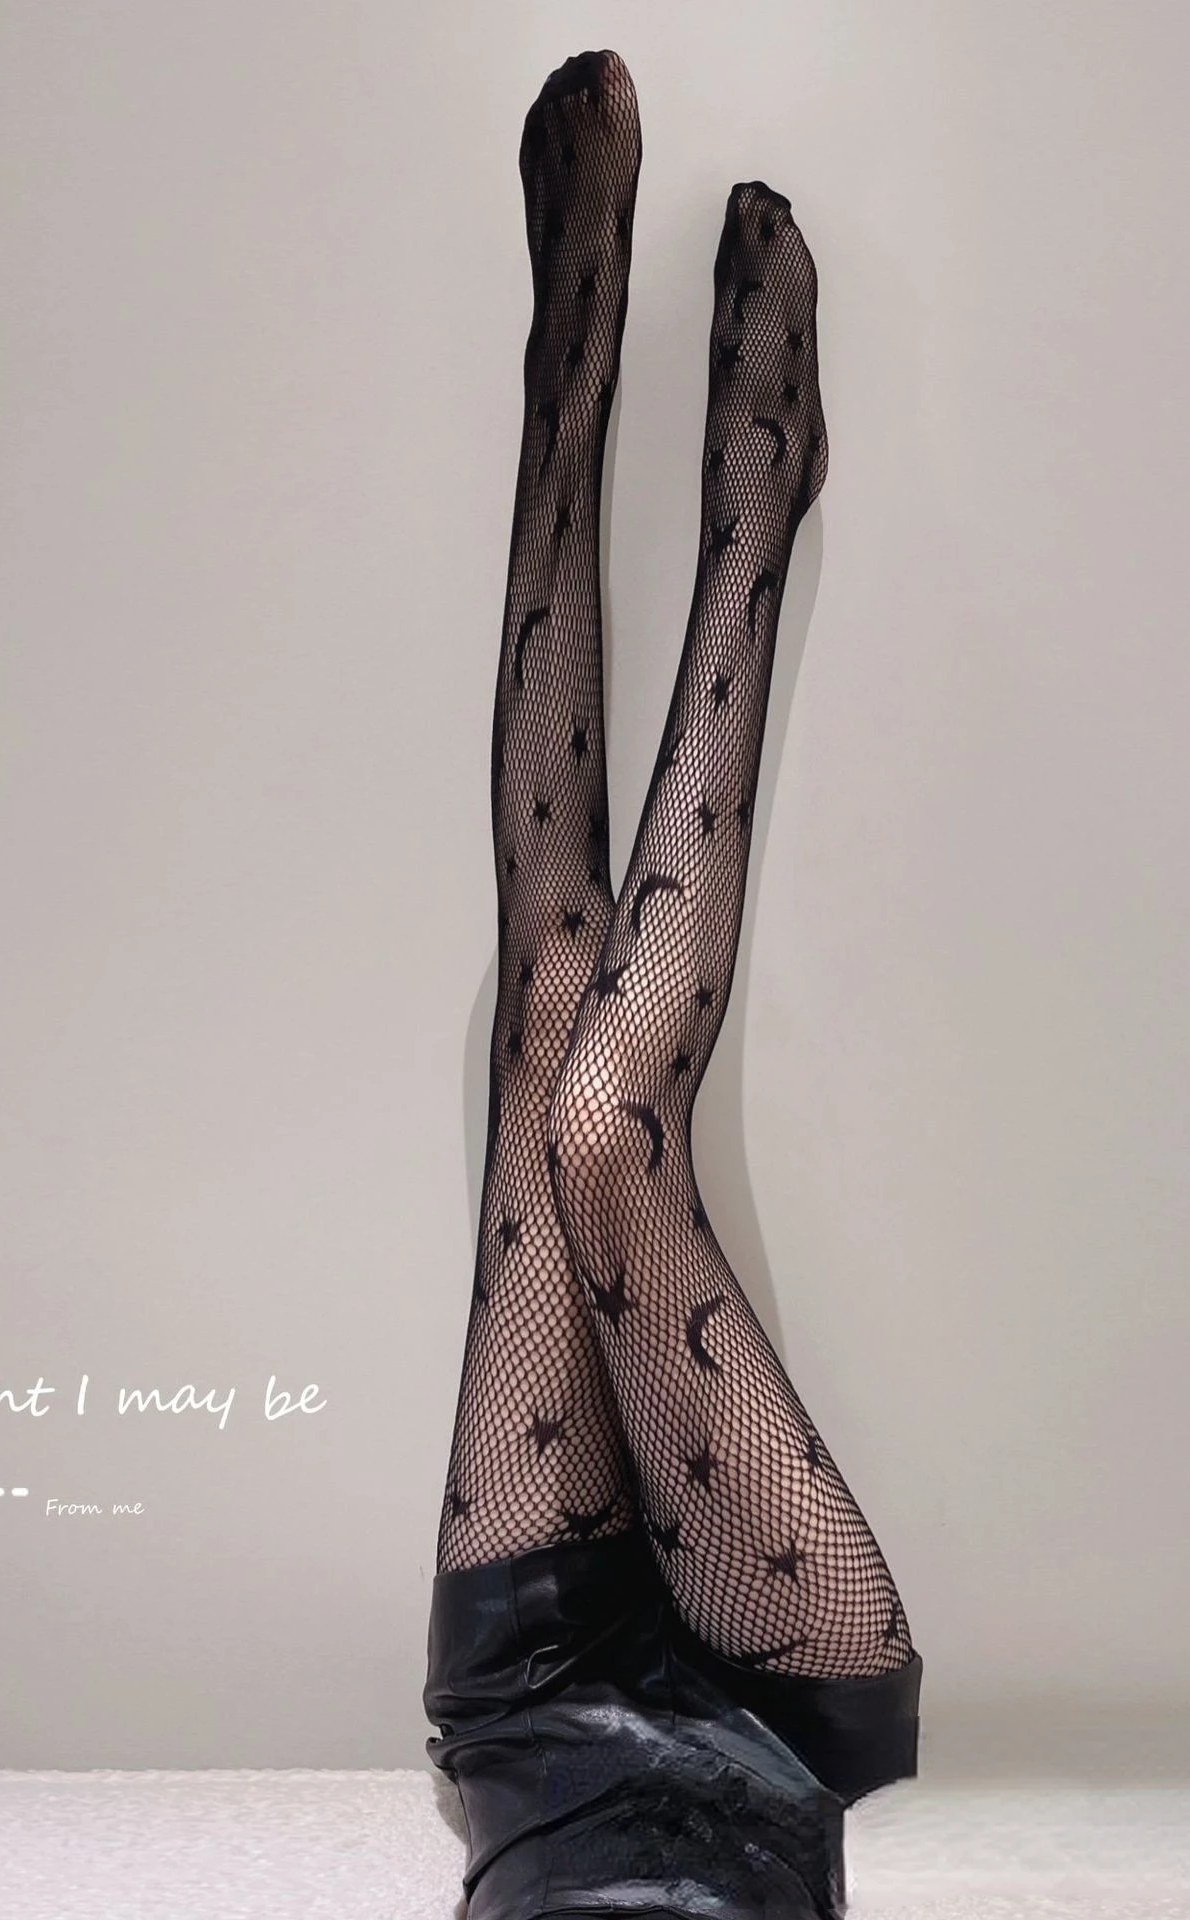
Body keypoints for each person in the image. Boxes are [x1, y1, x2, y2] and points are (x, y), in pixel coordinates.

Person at [422, 51, 921, 1920]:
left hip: (530, 1701)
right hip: (795, 1725)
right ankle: (753, 509)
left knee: (555, 1007)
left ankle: (567, 392)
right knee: (605, 1123)